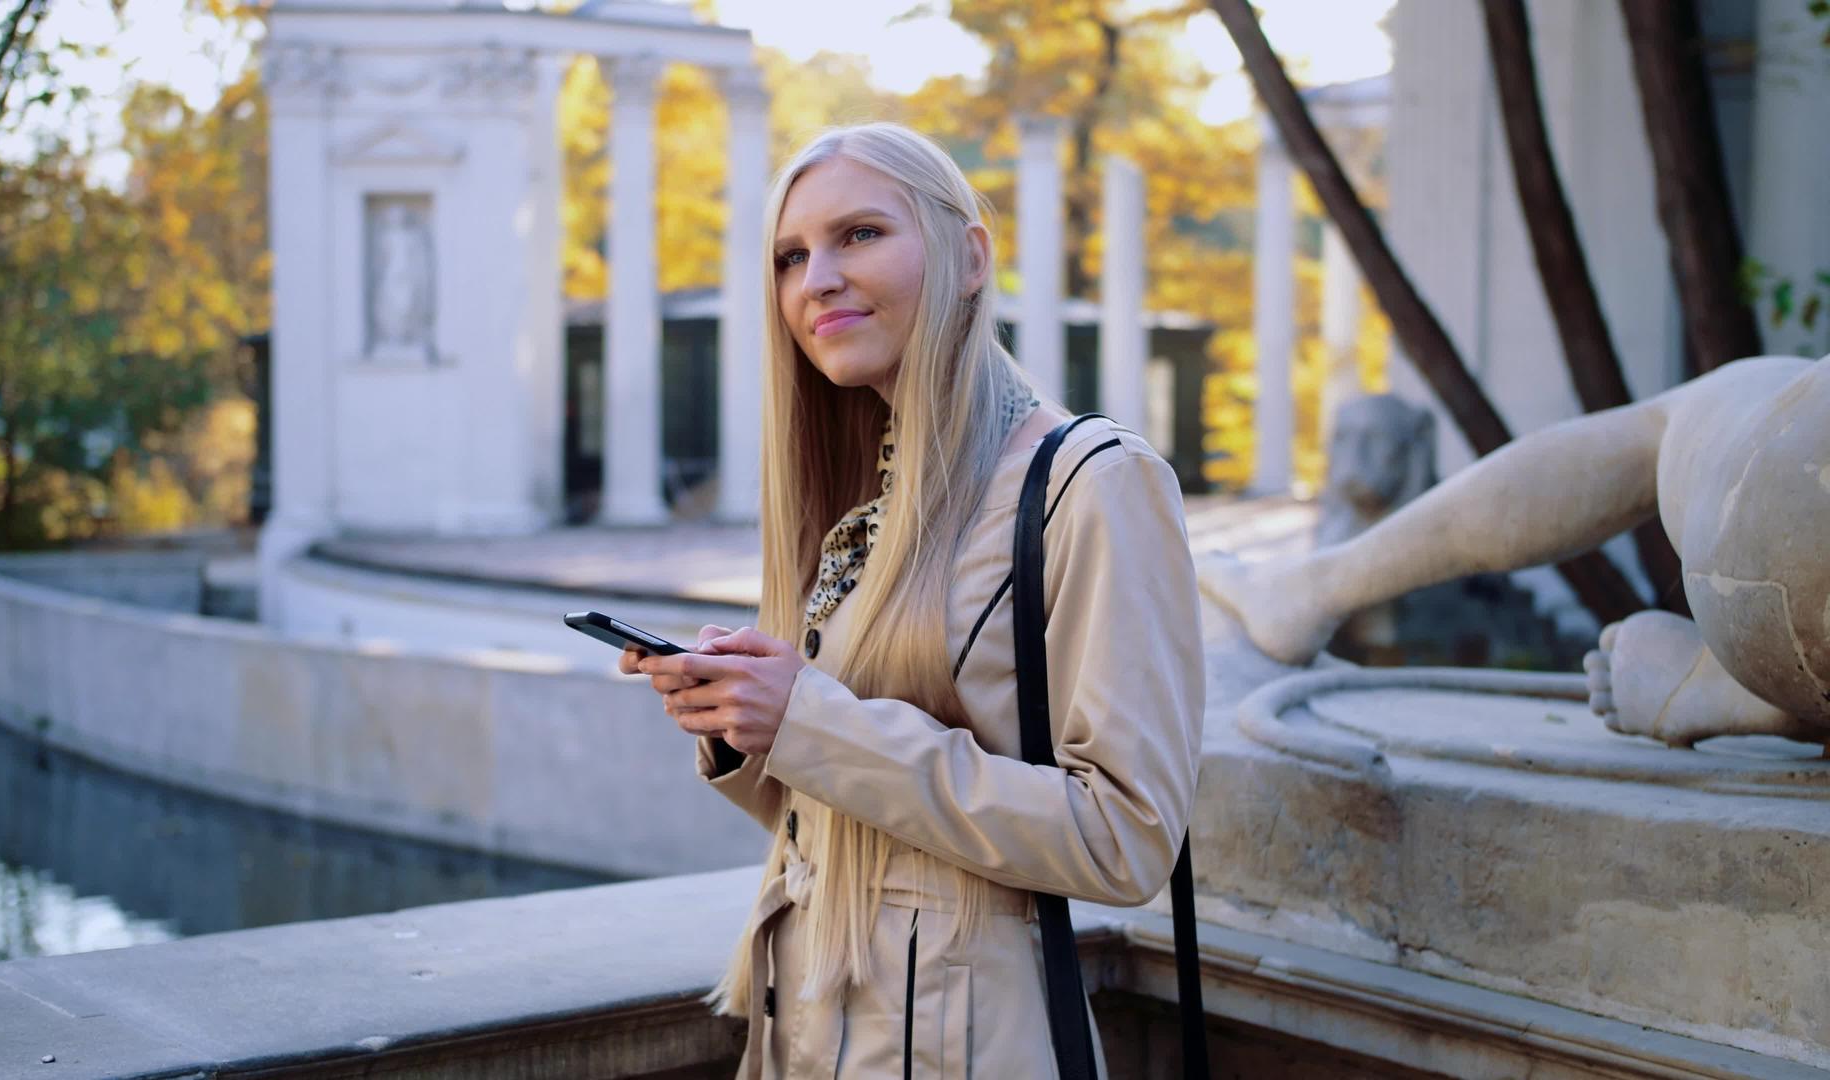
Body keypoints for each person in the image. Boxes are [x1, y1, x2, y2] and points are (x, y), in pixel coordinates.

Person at [617, 123, 1205, 1078]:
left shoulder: (1095, 483)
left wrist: (811, 719)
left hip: (962, 1048)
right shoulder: (871, 492)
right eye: (790, 255)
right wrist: (744, 722)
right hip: (810, 1032)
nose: (817, 280)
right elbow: (873, 827)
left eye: (859, 235)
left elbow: (1124, 841)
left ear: (971, 256)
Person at [1199, 354, 1830, 748]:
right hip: (1792, 571)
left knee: (1716, 401)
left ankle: (1311, 590)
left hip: (1789, 534)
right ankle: (1770, 695)